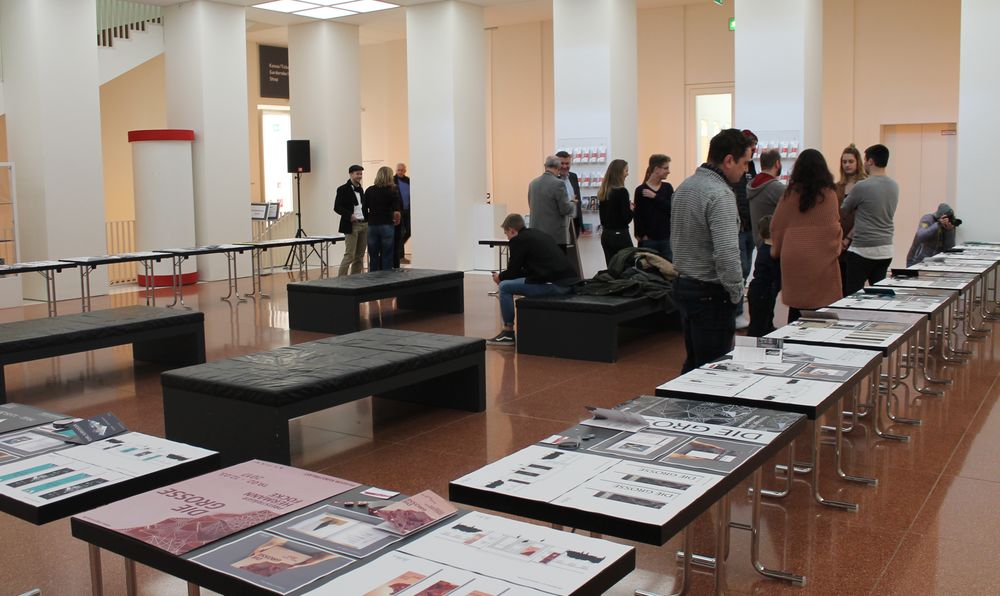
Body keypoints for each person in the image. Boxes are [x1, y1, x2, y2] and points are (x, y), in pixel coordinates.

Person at [671, 128, 751, 373]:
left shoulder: (685, 186)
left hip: (685, 286)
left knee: (694, 362)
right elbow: (727, 252)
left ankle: (683, 409)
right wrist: (737, 292)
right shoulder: (720, 194)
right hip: (710, 293)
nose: (746, 170)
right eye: (745, 163)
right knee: (712, 370)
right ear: (729, 160)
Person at [770, 149, 843, 323]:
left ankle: (793, 344)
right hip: (821, 260)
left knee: (796, 310)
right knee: (822, 311)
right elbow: (834, 230)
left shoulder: (789, 195)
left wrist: (778, 249)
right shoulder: (830, 195)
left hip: (794, 259)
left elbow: (776, 226)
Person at [487, 213, 579, 345]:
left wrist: (499, 277)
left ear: (512, 230)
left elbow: (513, 271)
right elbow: (527, 269)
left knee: (504, 287)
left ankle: (508, 332)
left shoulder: (518, 240)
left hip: (556, 286)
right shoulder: (538, 234)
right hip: (569, 282)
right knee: (507, 283)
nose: (507, 237)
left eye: (506, 233)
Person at [841, 144, 899, 294]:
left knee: (852, 296)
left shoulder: (862, 186)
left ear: (871, 161)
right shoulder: (894, 186)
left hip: (862, 249)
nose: (865, 164)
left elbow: (844, 209)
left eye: (866, 160)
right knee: (878, 294)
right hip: (886, 248)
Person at [731, 129, 758, 330]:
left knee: (746, 269)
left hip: (750, 225)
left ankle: (739, 311)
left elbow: (754, 189)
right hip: (738, 226)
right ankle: (737, 312)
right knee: (740, 270)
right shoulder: (733, 169)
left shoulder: (752, 167)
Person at [834, 144, 868, 292]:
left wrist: (848, 238)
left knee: (854, 287)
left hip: (858, 239)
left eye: (850, 161)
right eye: (844, 161)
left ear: (857, 162)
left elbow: (863, 214)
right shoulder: (838, 186)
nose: (847, 165)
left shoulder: (864, 184)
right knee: (840, 283)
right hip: (838, 239)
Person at [527, 155, 574, 251]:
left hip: (536, 235)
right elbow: (565, 209)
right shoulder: (559, 184)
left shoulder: (533, 183)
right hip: (555, 237)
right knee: (557, 265)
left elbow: (530, 205)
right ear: (558, 168)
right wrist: (572, 203)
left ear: (545, 166)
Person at [633, 154, 674, 260]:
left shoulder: (667, 188)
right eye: (666, 168)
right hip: (648, 240)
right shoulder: (640, 190)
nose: (668, 171)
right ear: (656, 169)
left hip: (667, 239)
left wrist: (655, 197)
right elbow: (638, 215)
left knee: (669, 271)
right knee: (648, 272)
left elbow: (672, 209)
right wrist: (641, 235)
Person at [362, 166, 402, 272]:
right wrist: (397, 221)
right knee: (387, 255)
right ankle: (386, 280)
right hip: (387, 224)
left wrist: (367, 219)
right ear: (389, 176)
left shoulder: (369, 190)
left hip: (372, 225)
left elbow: (364, 208)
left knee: (373, 255)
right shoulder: (393, 190)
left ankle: (374, 280)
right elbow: (397, 211)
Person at [746, 215, 781, 337]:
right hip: (763, 291)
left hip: (758, 290)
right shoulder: (772, 253)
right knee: (759, 323)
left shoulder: (763, 249)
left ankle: (766, 331)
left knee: (762, 318)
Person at [597, 159, 633, 265]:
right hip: (620, 235)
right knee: (627, 266)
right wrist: (631, 210)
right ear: (619, 173)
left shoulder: (604, 192)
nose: (627, 173)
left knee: (612, 268)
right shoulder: (622, 192)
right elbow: (627, 218)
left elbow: (603, 217)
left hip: (606, 235)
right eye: (626, 171)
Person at [746, 149, 785, 246]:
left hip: (759, 243)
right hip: (773, 244)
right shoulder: (776, 188)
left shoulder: (752, 184)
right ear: (777, 163)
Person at [334, 165, 367, 276]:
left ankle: (355, 280)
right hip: (352, 225)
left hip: (364, 224)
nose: (359, 176)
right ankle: (341, 280)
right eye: (357, 174)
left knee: (360, 256)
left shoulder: (361, 189)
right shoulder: (342, 189)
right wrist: (349, 215)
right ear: (351, 174)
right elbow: (337, 207)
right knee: (350, 255)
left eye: (361, 174)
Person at [556, 151, 583, 238]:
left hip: (574, 223)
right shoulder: (552, 180)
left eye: (567, 163)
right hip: (560, 225)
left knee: (574, 251)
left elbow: (578, 200)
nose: (564, 166)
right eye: (562, 163)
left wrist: (580, 223)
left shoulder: (573, 177)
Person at [393, 162, 411, 266]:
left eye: (401, 170)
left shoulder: (408, 180)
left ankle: (398, 249)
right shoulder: (393, 180)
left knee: (408, 231)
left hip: (408, 210)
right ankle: (400, 256)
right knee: (400, 232)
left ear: (405, 171)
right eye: (398, 170)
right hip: (398, 211)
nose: (399, 172)